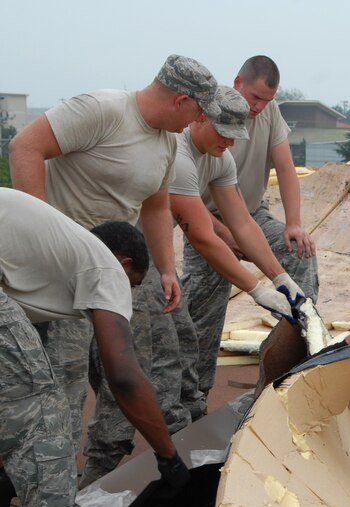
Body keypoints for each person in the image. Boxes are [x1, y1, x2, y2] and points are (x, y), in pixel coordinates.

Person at [9, 54, 219, 484]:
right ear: (182, 100)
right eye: (199, 111)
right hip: (60, 273)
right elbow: (24, 147)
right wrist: (44, 237)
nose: (199, 121)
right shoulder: (102, 110)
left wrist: (165, 269)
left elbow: (156, 206)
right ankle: (52, 497)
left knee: (121, 371)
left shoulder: (166, 142)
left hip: (112, 272)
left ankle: (88, 476)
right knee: (62, 386)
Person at [0, 188, 189, 507]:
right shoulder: (107, 267)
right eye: (132, 286)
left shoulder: (51, 255)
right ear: (124, 263)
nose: (126, 297)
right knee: (41, 406)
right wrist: (169, 458)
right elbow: (123, 376)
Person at [182, 55, 317, 398]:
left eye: (267, 100)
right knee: (202, 309)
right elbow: (190, 213)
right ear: (237, 83)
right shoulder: (203, 123)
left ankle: (297, 361)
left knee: (297, 253)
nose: (258, 107)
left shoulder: (267, 113)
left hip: (250, 211)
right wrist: (230, 243)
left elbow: (285, 169)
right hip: (204, 215)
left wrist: (294, 226)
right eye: (255, 98)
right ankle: (193, 395)